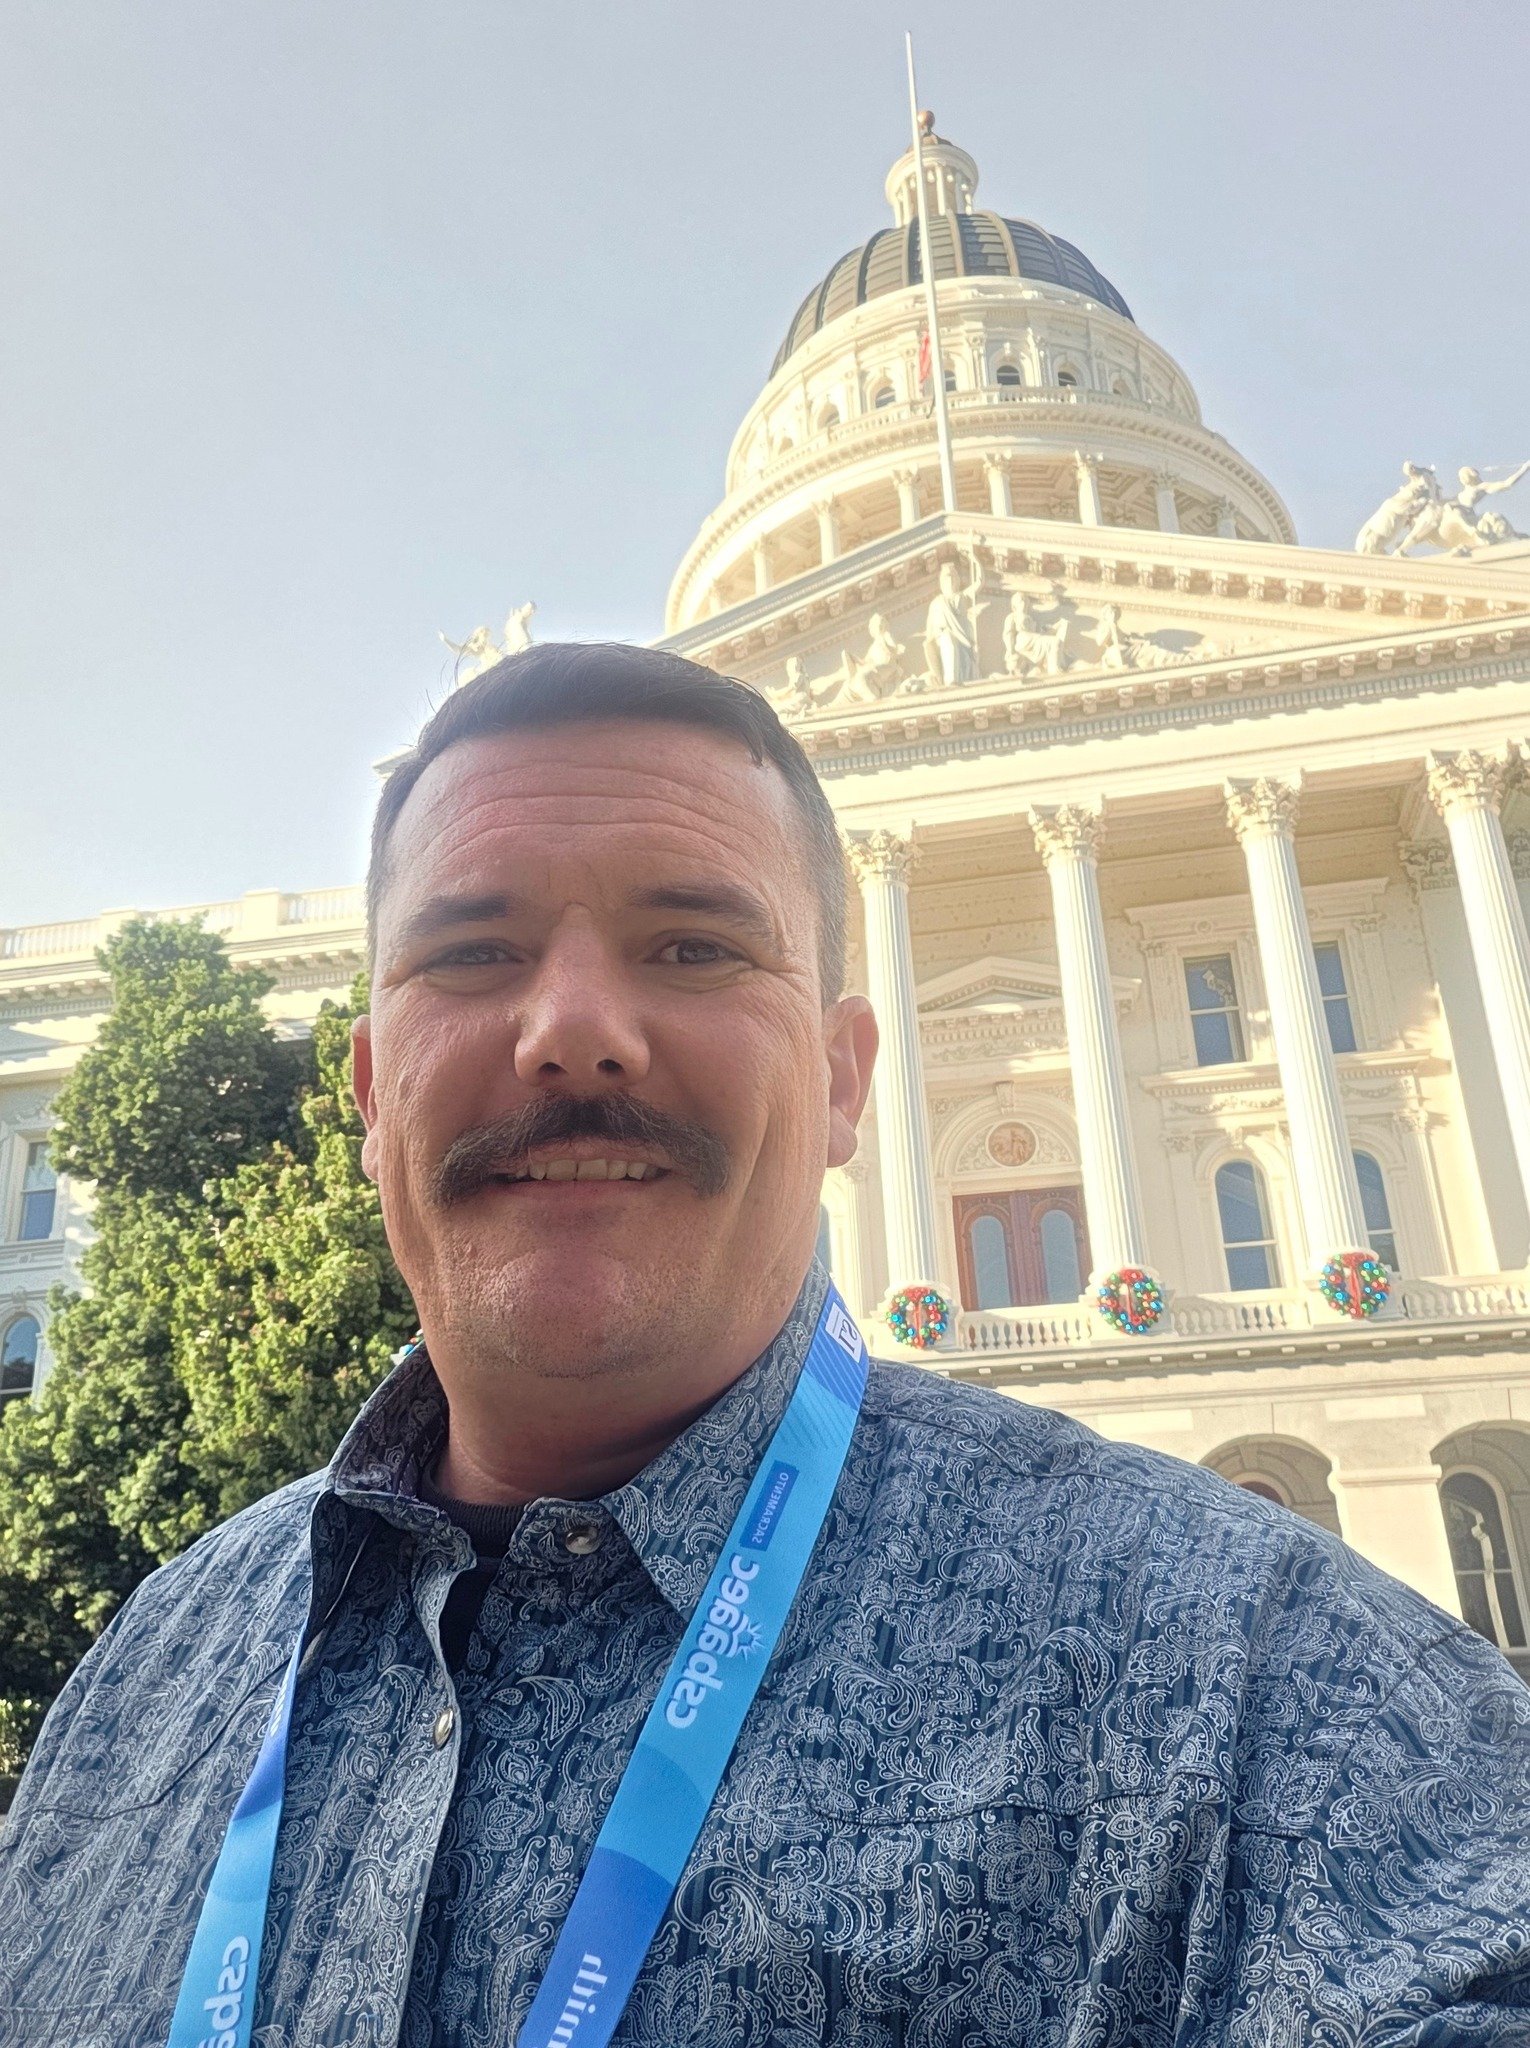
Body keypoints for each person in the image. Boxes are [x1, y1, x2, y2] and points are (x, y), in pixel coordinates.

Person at [3, 642, 1528, 2046]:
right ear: (366, 1089)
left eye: (690, 947)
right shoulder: (159, 1666)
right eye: (472, 953)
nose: (572, 1030)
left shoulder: (1255, 1684)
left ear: (843, 1078)